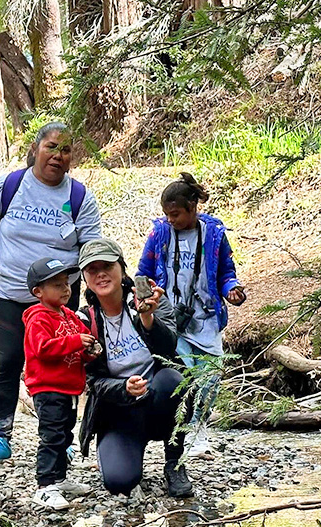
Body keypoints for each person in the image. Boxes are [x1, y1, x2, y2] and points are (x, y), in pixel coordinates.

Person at [0, 121, 103, 466]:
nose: (58, 156)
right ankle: (0, 435)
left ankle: (61, 437)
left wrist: (93, 291)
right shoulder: (10, 186)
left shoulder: (79, 197)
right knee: (8, 362)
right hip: (12, 294)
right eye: (52, 147)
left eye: (66, 150)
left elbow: (89, 247)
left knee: (62, 364)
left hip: (62, 298)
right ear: (36, 148)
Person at [135, 173, 245, 459]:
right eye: (167, 215)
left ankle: (199, 428)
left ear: (193, 207)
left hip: (205, 316)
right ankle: (180, 431)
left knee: (209, 375)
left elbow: (226, 273)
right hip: (170, 316)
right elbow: (143, 270)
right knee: (181, 373)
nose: (171, 220)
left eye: (176, 214)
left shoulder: (214, 234)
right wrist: (144, 294)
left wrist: (232, 290)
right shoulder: (159, 233)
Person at [76, 238, 194, 498]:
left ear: (122, 268)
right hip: (119, 411)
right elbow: (93, 381)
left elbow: (168, 348)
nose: (101, 274)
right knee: (119, 483)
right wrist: (123, 387)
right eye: (92, 269)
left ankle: (174, 463)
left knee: (174, 381)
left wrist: (147, 317)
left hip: (158, 398)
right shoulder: (85, 321)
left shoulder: (151, 299)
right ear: (85, 277)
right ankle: (130, 451)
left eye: (107, 266)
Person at [22, 258, 97, 510]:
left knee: (65, 433)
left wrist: (89, 351)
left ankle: (60, 478)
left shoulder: (69, 316)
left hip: (69, 388)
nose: (66, 289)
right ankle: (44, 486)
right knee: (52, 436)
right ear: (38, 292)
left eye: (66, 283)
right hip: (48, 387)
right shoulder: (38, 318)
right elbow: (42, 349)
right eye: (57, 285)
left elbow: (80, 344)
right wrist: (77, 341)